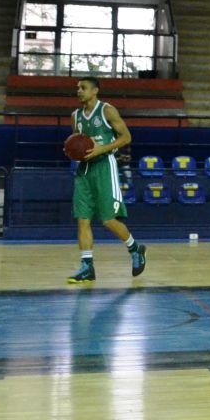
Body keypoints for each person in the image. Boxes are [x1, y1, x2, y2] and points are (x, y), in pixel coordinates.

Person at [66, 76, 146, 283]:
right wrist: (72, 150)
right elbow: (78, 141)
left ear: (95, 91)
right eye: (77, 88)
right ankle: (87, 266)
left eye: (83, 88)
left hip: (104, 166)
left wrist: (102, 148)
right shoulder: (75, 116)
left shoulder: (107, 110)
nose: (79, 91)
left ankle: (135, 248)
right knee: (83, 219)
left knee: (108, 220)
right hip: (84, 170)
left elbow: (126, 137)